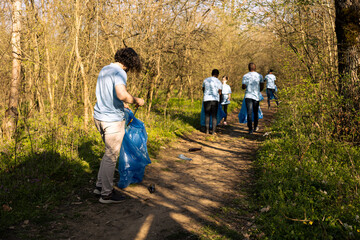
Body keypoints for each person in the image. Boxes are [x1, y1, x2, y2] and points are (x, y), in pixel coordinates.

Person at [93, 47, 145, 204]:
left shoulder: (105, 69)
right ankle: (106, 194)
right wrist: (136, 100)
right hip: (112, 121)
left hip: (99, 117)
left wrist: (121, 106)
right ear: (130, 62)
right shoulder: (120, 72)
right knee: (111, 156)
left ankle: (99, 187)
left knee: (107, 154)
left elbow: (107, 94)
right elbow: (121, 94)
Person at [242, 63, 264, 134]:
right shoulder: (259, 76)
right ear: (255, 68)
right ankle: (255, 126)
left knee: (249, 112)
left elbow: (243, 86)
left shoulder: (245, 76)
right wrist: (258, 90)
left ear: (248, 68)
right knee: (255, 112)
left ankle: (250, 129)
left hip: (248, 96)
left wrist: (246, 86)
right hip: (256, 96)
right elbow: (262, 86)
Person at [202, 69, 222, 135]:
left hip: (206, 99)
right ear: (217, 75)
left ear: (211, 73)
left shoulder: (205, 80)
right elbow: (220, 92)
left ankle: (207, 131)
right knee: (214, 116)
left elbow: (203, 89)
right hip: (215, 100)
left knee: (207, 115)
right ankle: (213, 132)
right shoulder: (219, 82)